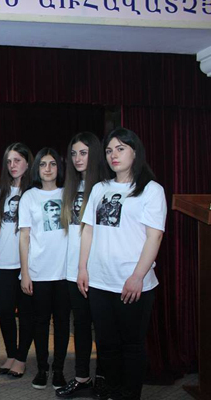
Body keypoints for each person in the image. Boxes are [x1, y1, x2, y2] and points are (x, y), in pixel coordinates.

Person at [77, 128, 166, 400]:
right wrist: (82, 268)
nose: (113, 155)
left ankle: (129, 394)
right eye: (109, 150)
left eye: (120, 148)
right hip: (100, 281)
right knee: (106, 345)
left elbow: (154, 236)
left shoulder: (151, 190)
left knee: (132, 345)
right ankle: (112, 391)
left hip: (132, 283)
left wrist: (137, 276)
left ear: (135, 152)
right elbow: (88, 230)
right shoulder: (99, 188)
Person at [56, 132, 107, 398]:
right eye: (74, 153)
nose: (77, 158)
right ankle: (82, 377)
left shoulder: (105, 187)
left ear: (95, 154)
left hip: (98, 270)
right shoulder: (70, 187)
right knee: (81, 325)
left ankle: (103, 378)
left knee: (104, 327)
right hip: (73, 270)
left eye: (83, 153)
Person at [19, 147, 70, 391]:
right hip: (39, 270)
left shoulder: (68, 193)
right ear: (37, 169)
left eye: (52, 164)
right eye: (43, 164)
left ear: (59, 167)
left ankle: (58, 369)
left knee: (62, 323)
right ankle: (42, 368)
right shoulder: (29, 197)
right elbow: (24, 237)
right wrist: (25, 273)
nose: (48, 169)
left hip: (65, 272)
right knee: (40, 322)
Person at [0, 143, 34, 379]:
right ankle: (10, 353)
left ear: (28, 162)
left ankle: (21, 358)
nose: (12, 165)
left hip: (28, 264)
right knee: (5, 311)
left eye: (17, 160)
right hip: (4, 262)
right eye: (9, 161)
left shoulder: (35, 193)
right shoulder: (0, 192)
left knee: (26, 312)